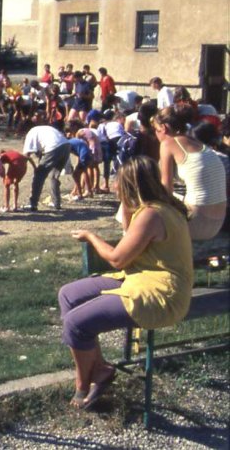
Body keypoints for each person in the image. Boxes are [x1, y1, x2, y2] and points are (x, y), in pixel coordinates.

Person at [61, 157, 192, 410]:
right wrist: (127, 208)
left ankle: (82, 382)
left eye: (118, 181)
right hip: (140, 278)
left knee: (75, 323)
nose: (114, 185)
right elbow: (128, 246)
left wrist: (91, 236)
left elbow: (117, 259)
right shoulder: (155, 209)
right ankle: (98, 369)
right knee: (68, 295)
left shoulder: (153, 214)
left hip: (161, 294)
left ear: (130, 184)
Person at [154, 106, 227, 240]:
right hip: (218, 223)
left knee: (143, 198)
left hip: (196, 222)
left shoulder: (168, 144)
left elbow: (166, 188)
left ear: (163, 128)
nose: (156, 134)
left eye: (156, 130)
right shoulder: (198, 143)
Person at [23, 124, 70, 211]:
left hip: (53, 147)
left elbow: (26, 155)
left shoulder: (31, 133)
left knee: (39, 176)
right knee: (54, 176)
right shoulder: (43, 129)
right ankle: (56, 203)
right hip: (66, 145)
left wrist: (24, 169)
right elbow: (41, 152)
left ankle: (32, 204)